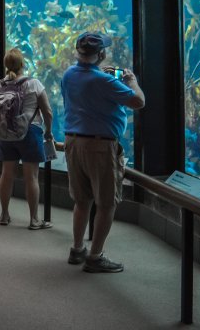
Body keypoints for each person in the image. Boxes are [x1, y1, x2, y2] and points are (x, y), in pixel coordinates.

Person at [61, 31, 145, 273]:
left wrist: (101, 74)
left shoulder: (69, 75)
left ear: (79, 52)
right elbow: (138, 102)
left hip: (73, 142)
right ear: (101, 54)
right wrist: (132, 82)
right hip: (99, 146)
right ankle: (95, 256)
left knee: (82, 199)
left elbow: (88, 87)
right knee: (107, 203)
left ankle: (77, 249)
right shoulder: (104, 81)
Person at [0, 48, 54, 229]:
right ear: (23, 64)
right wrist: (48, 131)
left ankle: (4, 215)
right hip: (30, 132)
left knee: (6, 174)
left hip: (6, 134)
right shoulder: (34, 83)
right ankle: (34, 219)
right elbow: (47, 112)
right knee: (32, 178)